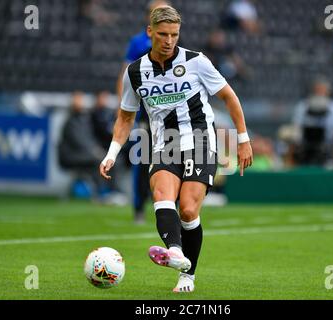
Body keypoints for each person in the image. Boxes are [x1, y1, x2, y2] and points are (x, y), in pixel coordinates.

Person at [100, 6, 253, 292]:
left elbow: (230, 98)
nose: (169, 40)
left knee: (188, 209)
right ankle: (176, 253)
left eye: (174, 34)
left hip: (200, 141)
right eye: (162, 34)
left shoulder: (197, 62)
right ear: (150, 32)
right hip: (162, 144)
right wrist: (111, 153)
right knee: (161, 196)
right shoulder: (135, 72)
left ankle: (187, 275)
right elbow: (125, 117)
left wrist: (243, 139)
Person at [116, 0, 170, 224]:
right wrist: (124, 108)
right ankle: (138, 207)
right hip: (146, 112)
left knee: (172, 158)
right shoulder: (138, 42)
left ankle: (171, 205)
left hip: (169, 109)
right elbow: (125, 73)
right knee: (142, 160)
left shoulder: (171, 39)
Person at [58, 91, 108, 200]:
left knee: (103, 159)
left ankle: (107, 190)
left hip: (81, 154)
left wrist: (96, 149)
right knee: (97, 161)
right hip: (71, 156)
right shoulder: (71, 121)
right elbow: (79, 141)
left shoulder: (84, 119)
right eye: (78, 100)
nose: (80, 103)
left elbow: (89, 139)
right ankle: (101, 192)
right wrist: (94, 151)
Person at [291, 76, 333, 169]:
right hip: (306, 144)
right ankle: (292, 177)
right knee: (291, 148)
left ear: (328, 92)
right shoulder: (302, 107)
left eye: (322, 90)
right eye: (317, 90)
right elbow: (296, 128)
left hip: (329, 145)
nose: (319, 93)